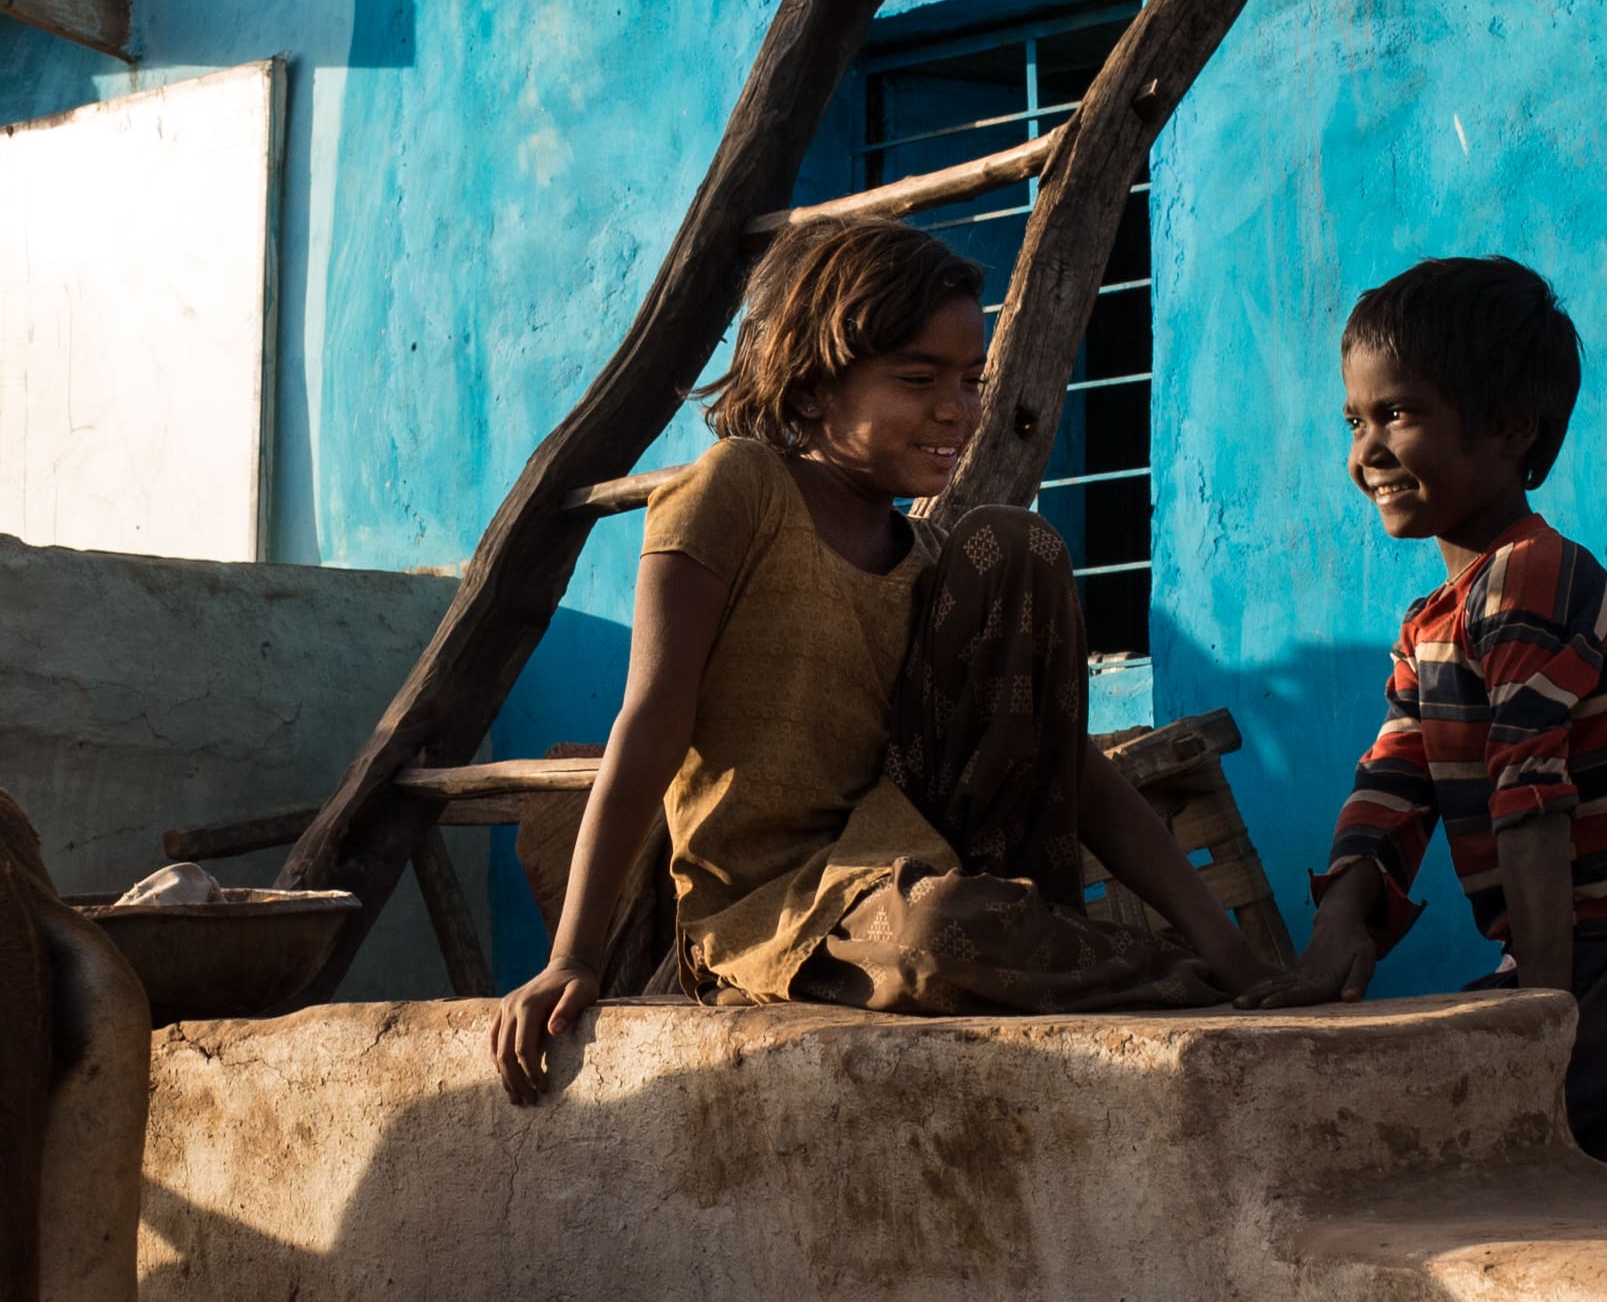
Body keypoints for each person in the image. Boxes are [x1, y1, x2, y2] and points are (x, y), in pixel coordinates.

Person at [490, 222, 1271, 1101]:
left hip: (933, 862)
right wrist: (571, 960)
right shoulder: (734, 489)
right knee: (939, 935)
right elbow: (652, 720)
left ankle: (1124, 955)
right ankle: (1117, 965)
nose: (960, 408)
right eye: (918, 378)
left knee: (1010, 544)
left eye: (971, 380)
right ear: (814, 386)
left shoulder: (938, 560)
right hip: (778, 914)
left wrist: (1235, 952)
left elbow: (1070, 763)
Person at [1270, 255, 1607, 1193]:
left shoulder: (1532, 575)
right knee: (1603, 1187)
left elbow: (1532, 799)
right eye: (1354, 420)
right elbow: (1394, 783)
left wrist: (1540, 1012)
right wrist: (1340, 920)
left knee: (1497, 1167)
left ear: (1511, 427)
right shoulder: (1432, 623)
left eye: (1398, 414)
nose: (1366, 450)